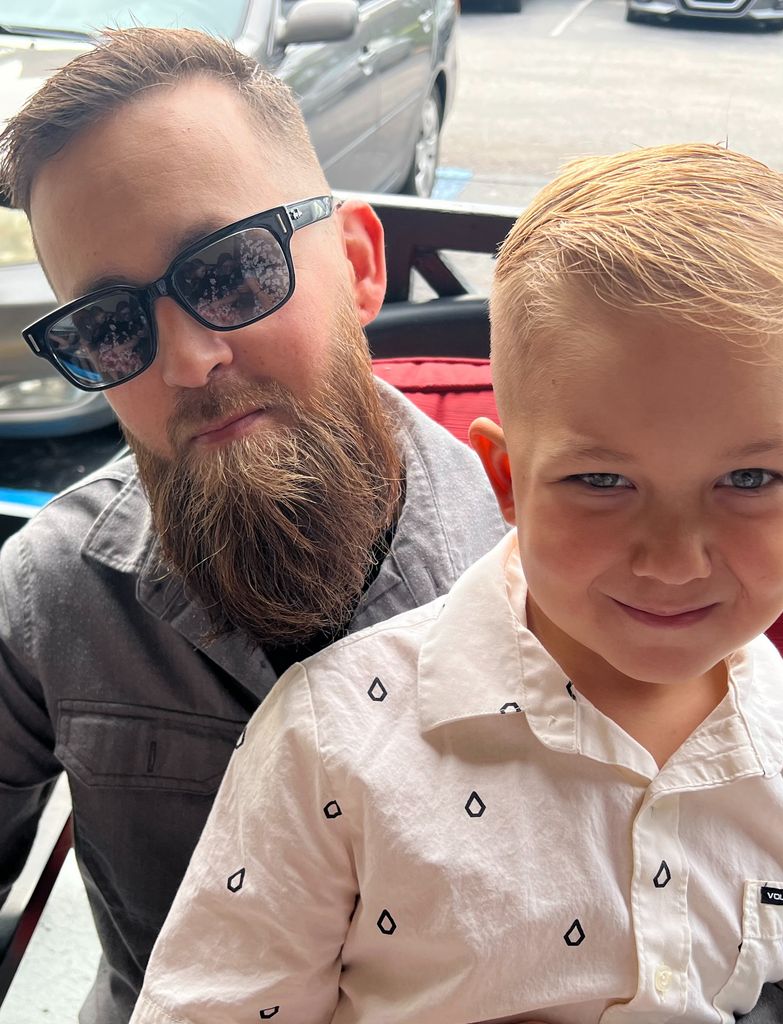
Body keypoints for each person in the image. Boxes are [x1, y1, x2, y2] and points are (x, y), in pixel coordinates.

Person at [130, 144, 783, 1024]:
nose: (674, 560)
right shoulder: (332, 740)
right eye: (601, 482)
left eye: (748, 481)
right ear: (504, 481)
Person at [0, 27, 508, 1024]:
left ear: (359, 265)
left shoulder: (541, 562)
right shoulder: (51, 599)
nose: (188, 360)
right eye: (110, 325)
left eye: (230, 272)